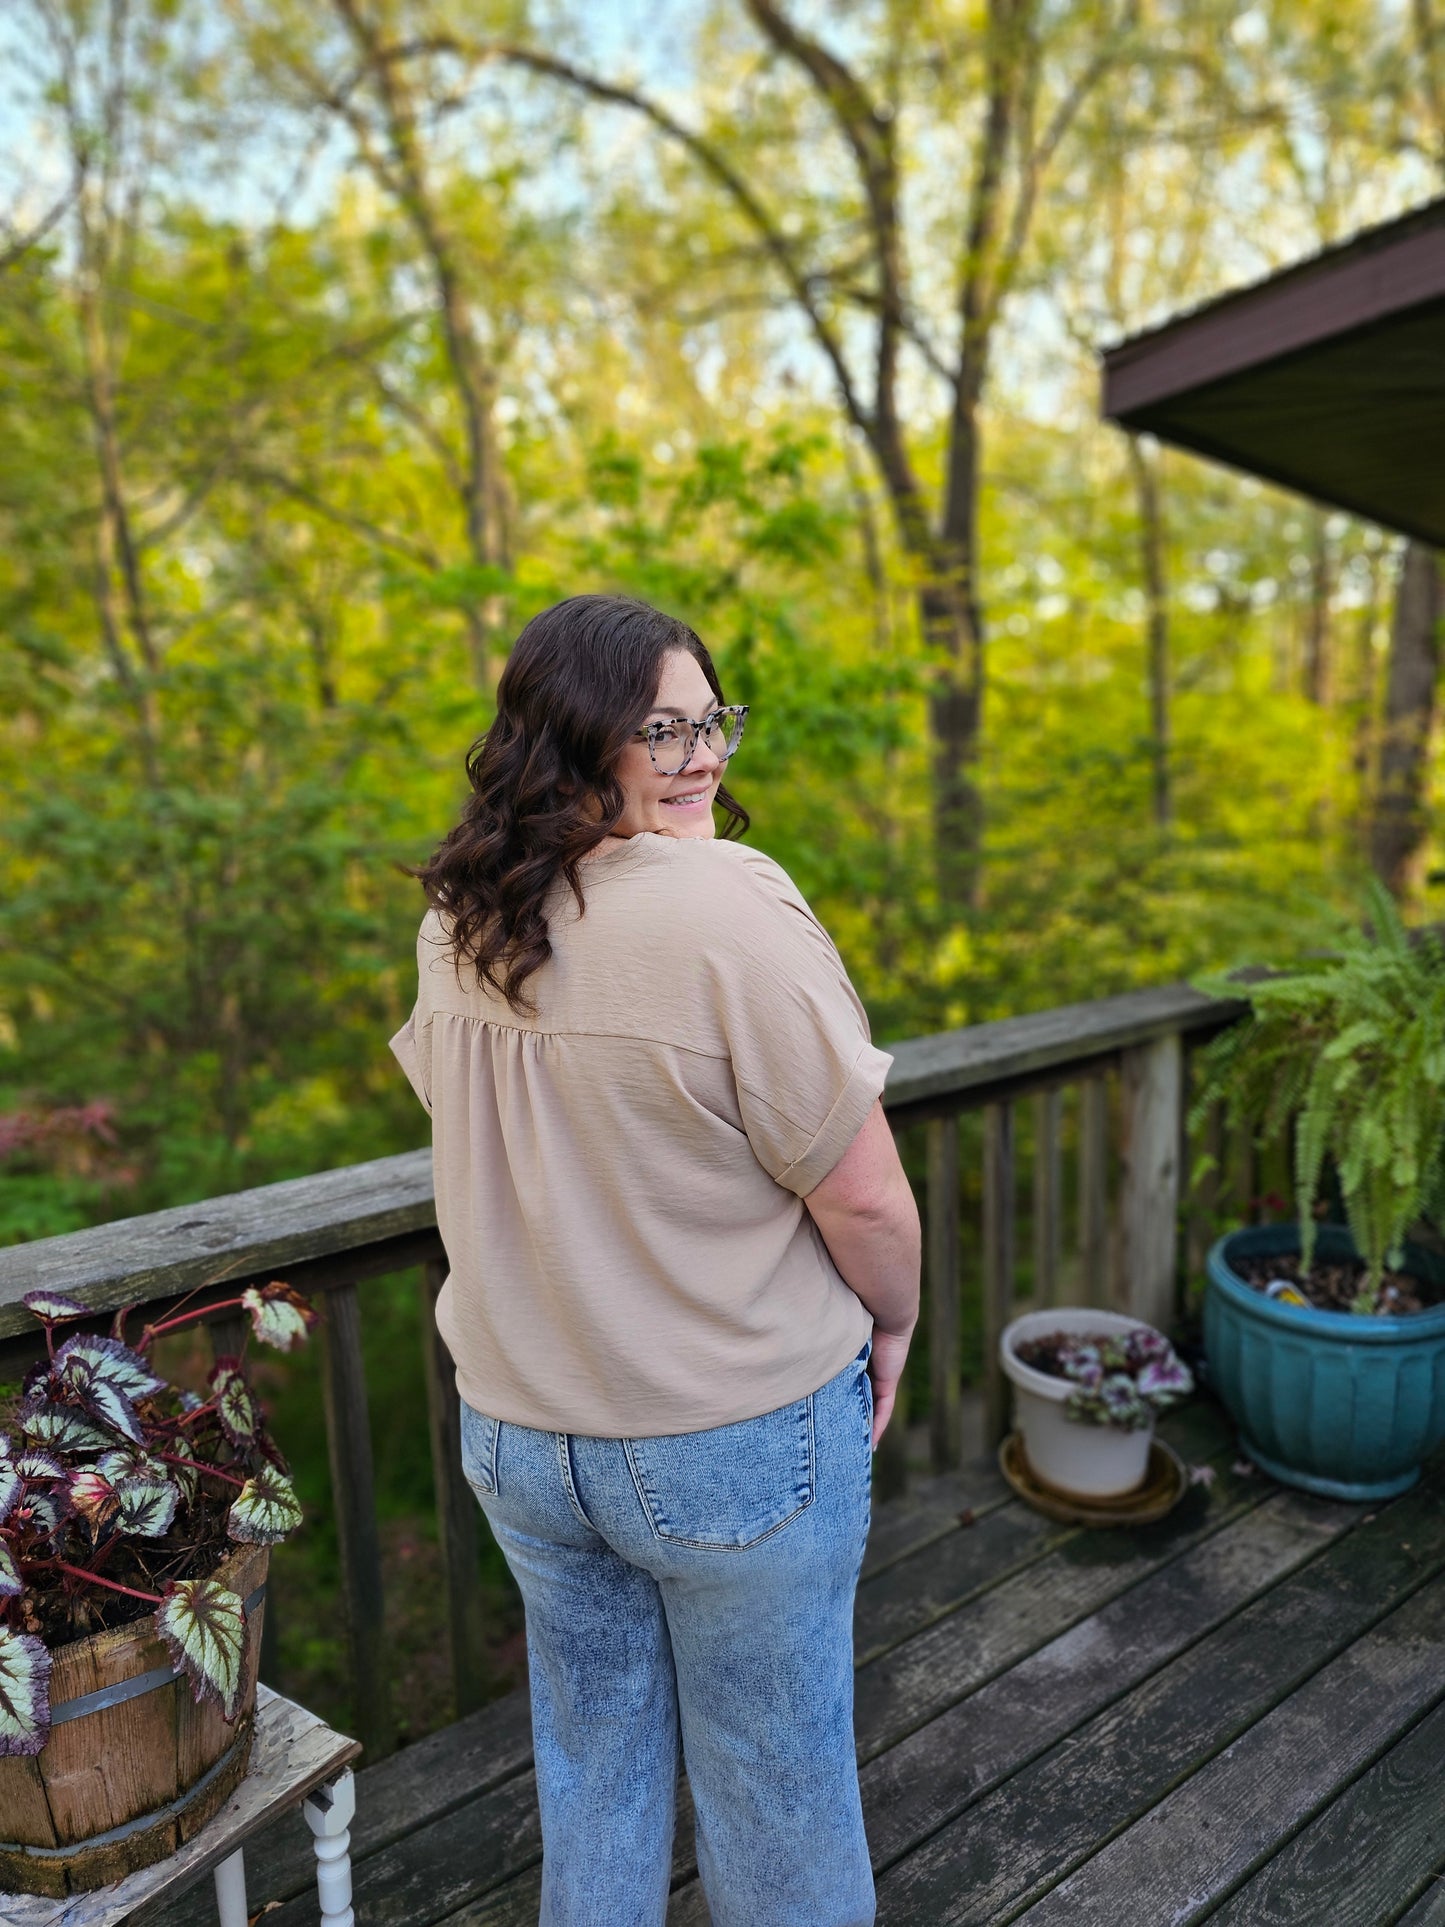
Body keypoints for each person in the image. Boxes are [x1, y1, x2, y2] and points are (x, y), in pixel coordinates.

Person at [390, 593, 921, 1927]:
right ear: (572, 742)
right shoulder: (727, 905)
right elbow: (861, 1198)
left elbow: (487, 1136)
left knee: (592, 1766)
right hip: (723, 1433)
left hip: (522, 1434)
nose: (698, 758)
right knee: (776, 1788)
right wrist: (896, 1329)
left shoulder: (461, 918)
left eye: (709, 722)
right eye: (657, 729)